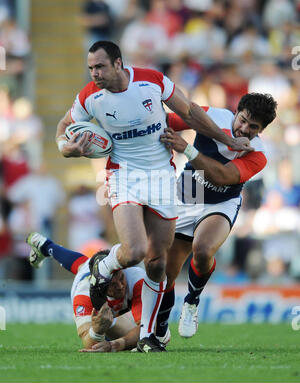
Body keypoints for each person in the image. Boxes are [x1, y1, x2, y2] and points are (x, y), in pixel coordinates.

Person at [55, 41, 253, 352]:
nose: (95, 73)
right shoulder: (89, 97)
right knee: (134, 251)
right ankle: (103, 267)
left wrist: (226, 138)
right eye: (91, 68)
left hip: (162, 176)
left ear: (118, 64)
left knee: (157, 263)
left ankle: (148, 337)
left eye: (100, 67)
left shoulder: (152, 81)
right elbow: (63, 128)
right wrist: (67, 149)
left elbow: (188, 112)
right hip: (124, 175)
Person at [158, 93, 277, 338]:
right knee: (165, 274)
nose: (244, 129)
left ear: (261, 130)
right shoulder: (211, 115)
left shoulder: (259, 154)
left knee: (203, 249)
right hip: (187, 194)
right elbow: (169, 120)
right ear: (237, 112)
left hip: (221, 202)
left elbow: (222, 177)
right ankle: (159, 328)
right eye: (243, 120)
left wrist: (187, 150)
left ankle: (191, 302)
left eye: (253, 127)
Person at [26, 232, 169, 351]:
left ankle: (45, 246)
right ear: (99, 286)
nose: (120, 286)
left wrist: (116, 345)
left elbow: (147, 329)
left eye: (121, 278)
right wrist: (97, 330)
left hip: (92, 272)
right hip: (89, 284)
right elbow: (88, 343)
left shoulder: (136, 277)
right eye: (112, 285)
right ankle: (46, 246)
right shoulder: (83, 293)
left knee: (156, 334)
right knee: (108, 325)